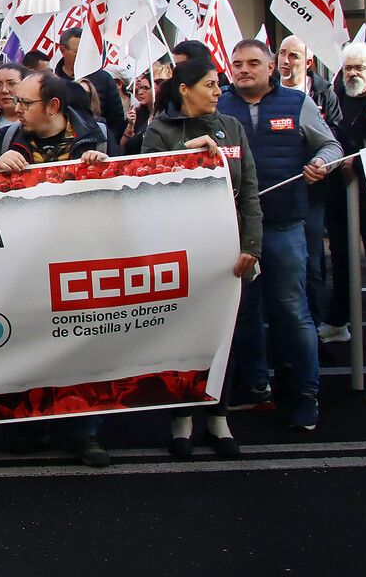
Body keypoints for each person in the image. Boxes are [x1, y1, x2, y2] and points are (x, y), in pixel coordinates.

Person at [0, 70, 110, 467]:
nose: (16, 107)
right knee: (25, 340)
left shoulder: (94, 137)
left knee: (79, 345)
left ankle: (84, 432)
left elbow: (118, 192)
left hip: (77, 258)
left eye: (25, 103)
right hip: (23, 262)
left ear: (54, 107)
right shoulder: (9, 135)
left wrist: (101, 166)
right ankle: (30, 424)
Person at [217, 39, 341, 430]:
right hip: (233, 230)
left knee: (292, 310)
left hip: (284, 223)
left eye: (253, 63)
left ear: (272, 67)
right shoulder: (217, 105)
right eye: (236, 64)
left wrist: (321, 162)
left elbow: (332, 145)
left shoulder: (297, 103)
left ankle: (305, 391)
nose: (243, 70)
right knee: (244, 312)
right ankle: (255, 385)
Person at [142, 58, 263, 458]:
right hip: (179, 249)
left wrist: (252, 246)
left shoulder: (232, 128)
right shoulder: (159, 130)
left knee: (225, 335)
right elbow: (146, 183)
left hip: (228, 249)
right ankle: (181, 417)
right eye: (210, 85)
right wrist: (184, 151)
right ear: (185, 89)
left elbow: (249, 193)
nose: (218, 92)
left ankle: (218, 416)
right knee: (181, 333)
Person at [322, 41, 366, 351]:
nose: (352, 74)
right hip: (339, 192)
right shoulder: (334, 99)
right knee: (341, 258)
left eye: (359, 68)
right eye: (348, 67)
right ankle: (339, 321)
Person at [278, 36, 343, 330]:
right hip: (274, 197)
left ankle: (314, 328)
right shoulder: (267, 96)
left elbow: (336, 140)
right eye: (281, 54)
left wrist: (322, 162)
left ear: (308, 62)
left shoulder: (322, 94)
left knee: (311, 263)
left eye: (293, 55)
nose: (285, 61)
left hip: (312, 194)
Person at [56, 27, 127, 144]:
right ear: (63, 50)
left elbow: (117, 121)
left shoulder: (104, 79)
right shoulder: (53, 82)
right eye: (77, 52)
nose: (82, 56)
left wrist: (106, 144)